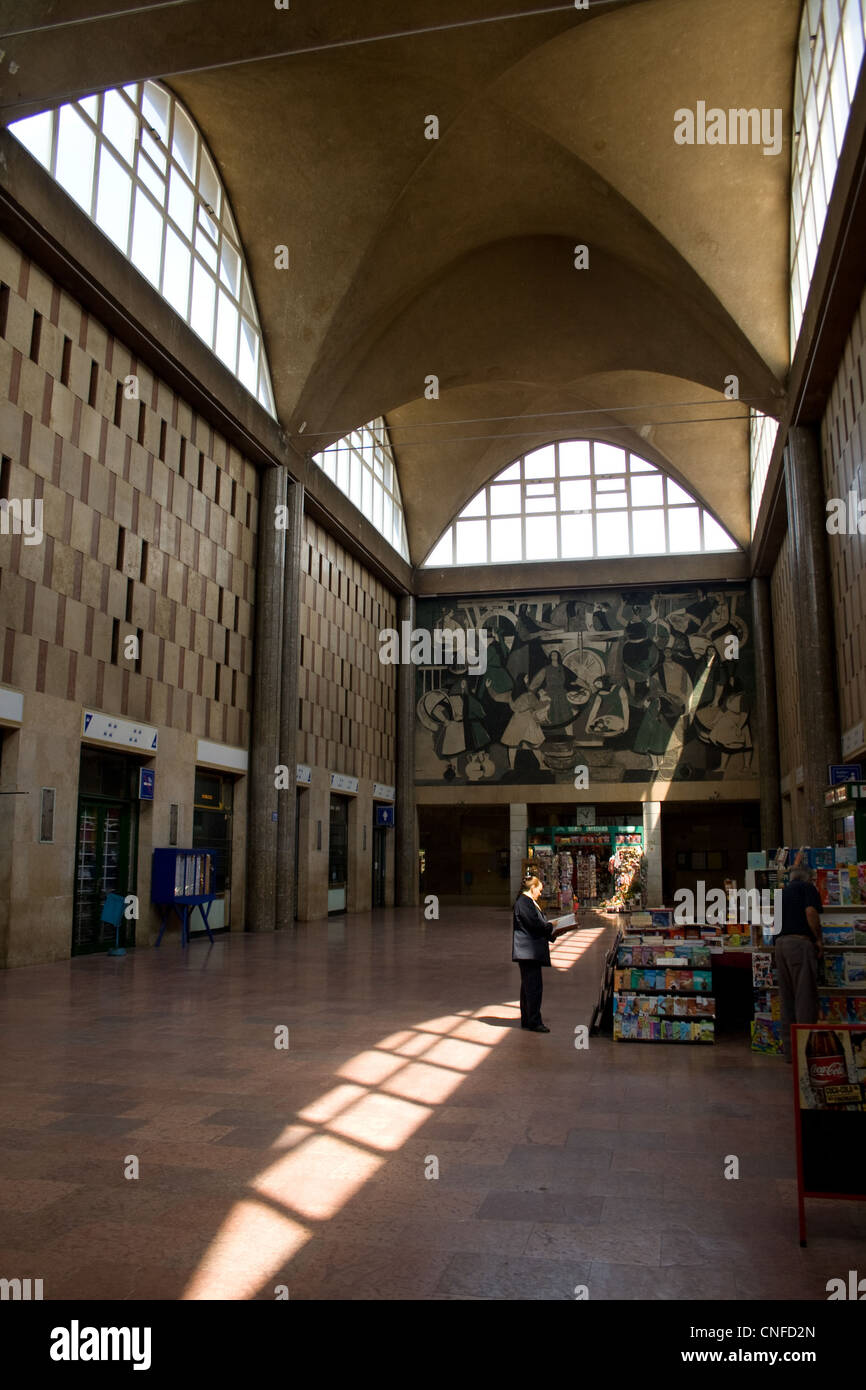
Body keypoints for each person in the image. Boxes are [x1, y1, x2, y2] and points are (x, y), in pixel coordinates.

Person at [512, 875, 574, 1032]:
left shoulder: (527, 902)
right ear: (532, 888)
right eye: (539, 890)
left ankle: (528, 1018)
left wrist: (551, 930)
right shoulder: (525, 903)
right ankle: (534, 1021)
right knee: (533, 987)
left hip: (529, 951)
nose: (540, 893)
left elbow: (536, 925)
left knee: (528, 987)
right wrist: (552, 927)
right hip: (528, 952)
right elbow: (535, 925)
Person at [775, 864, 823, 1062]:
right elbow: (811, 913)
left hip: (780, 945)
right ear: (808, 878)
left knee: (787, 1000)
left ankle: (790, 1053)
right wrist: (818, 939)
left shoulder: (781, 894)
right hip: (799, 943)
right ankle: (806, 1052)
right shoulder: (808, 888)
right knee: (805, 997)